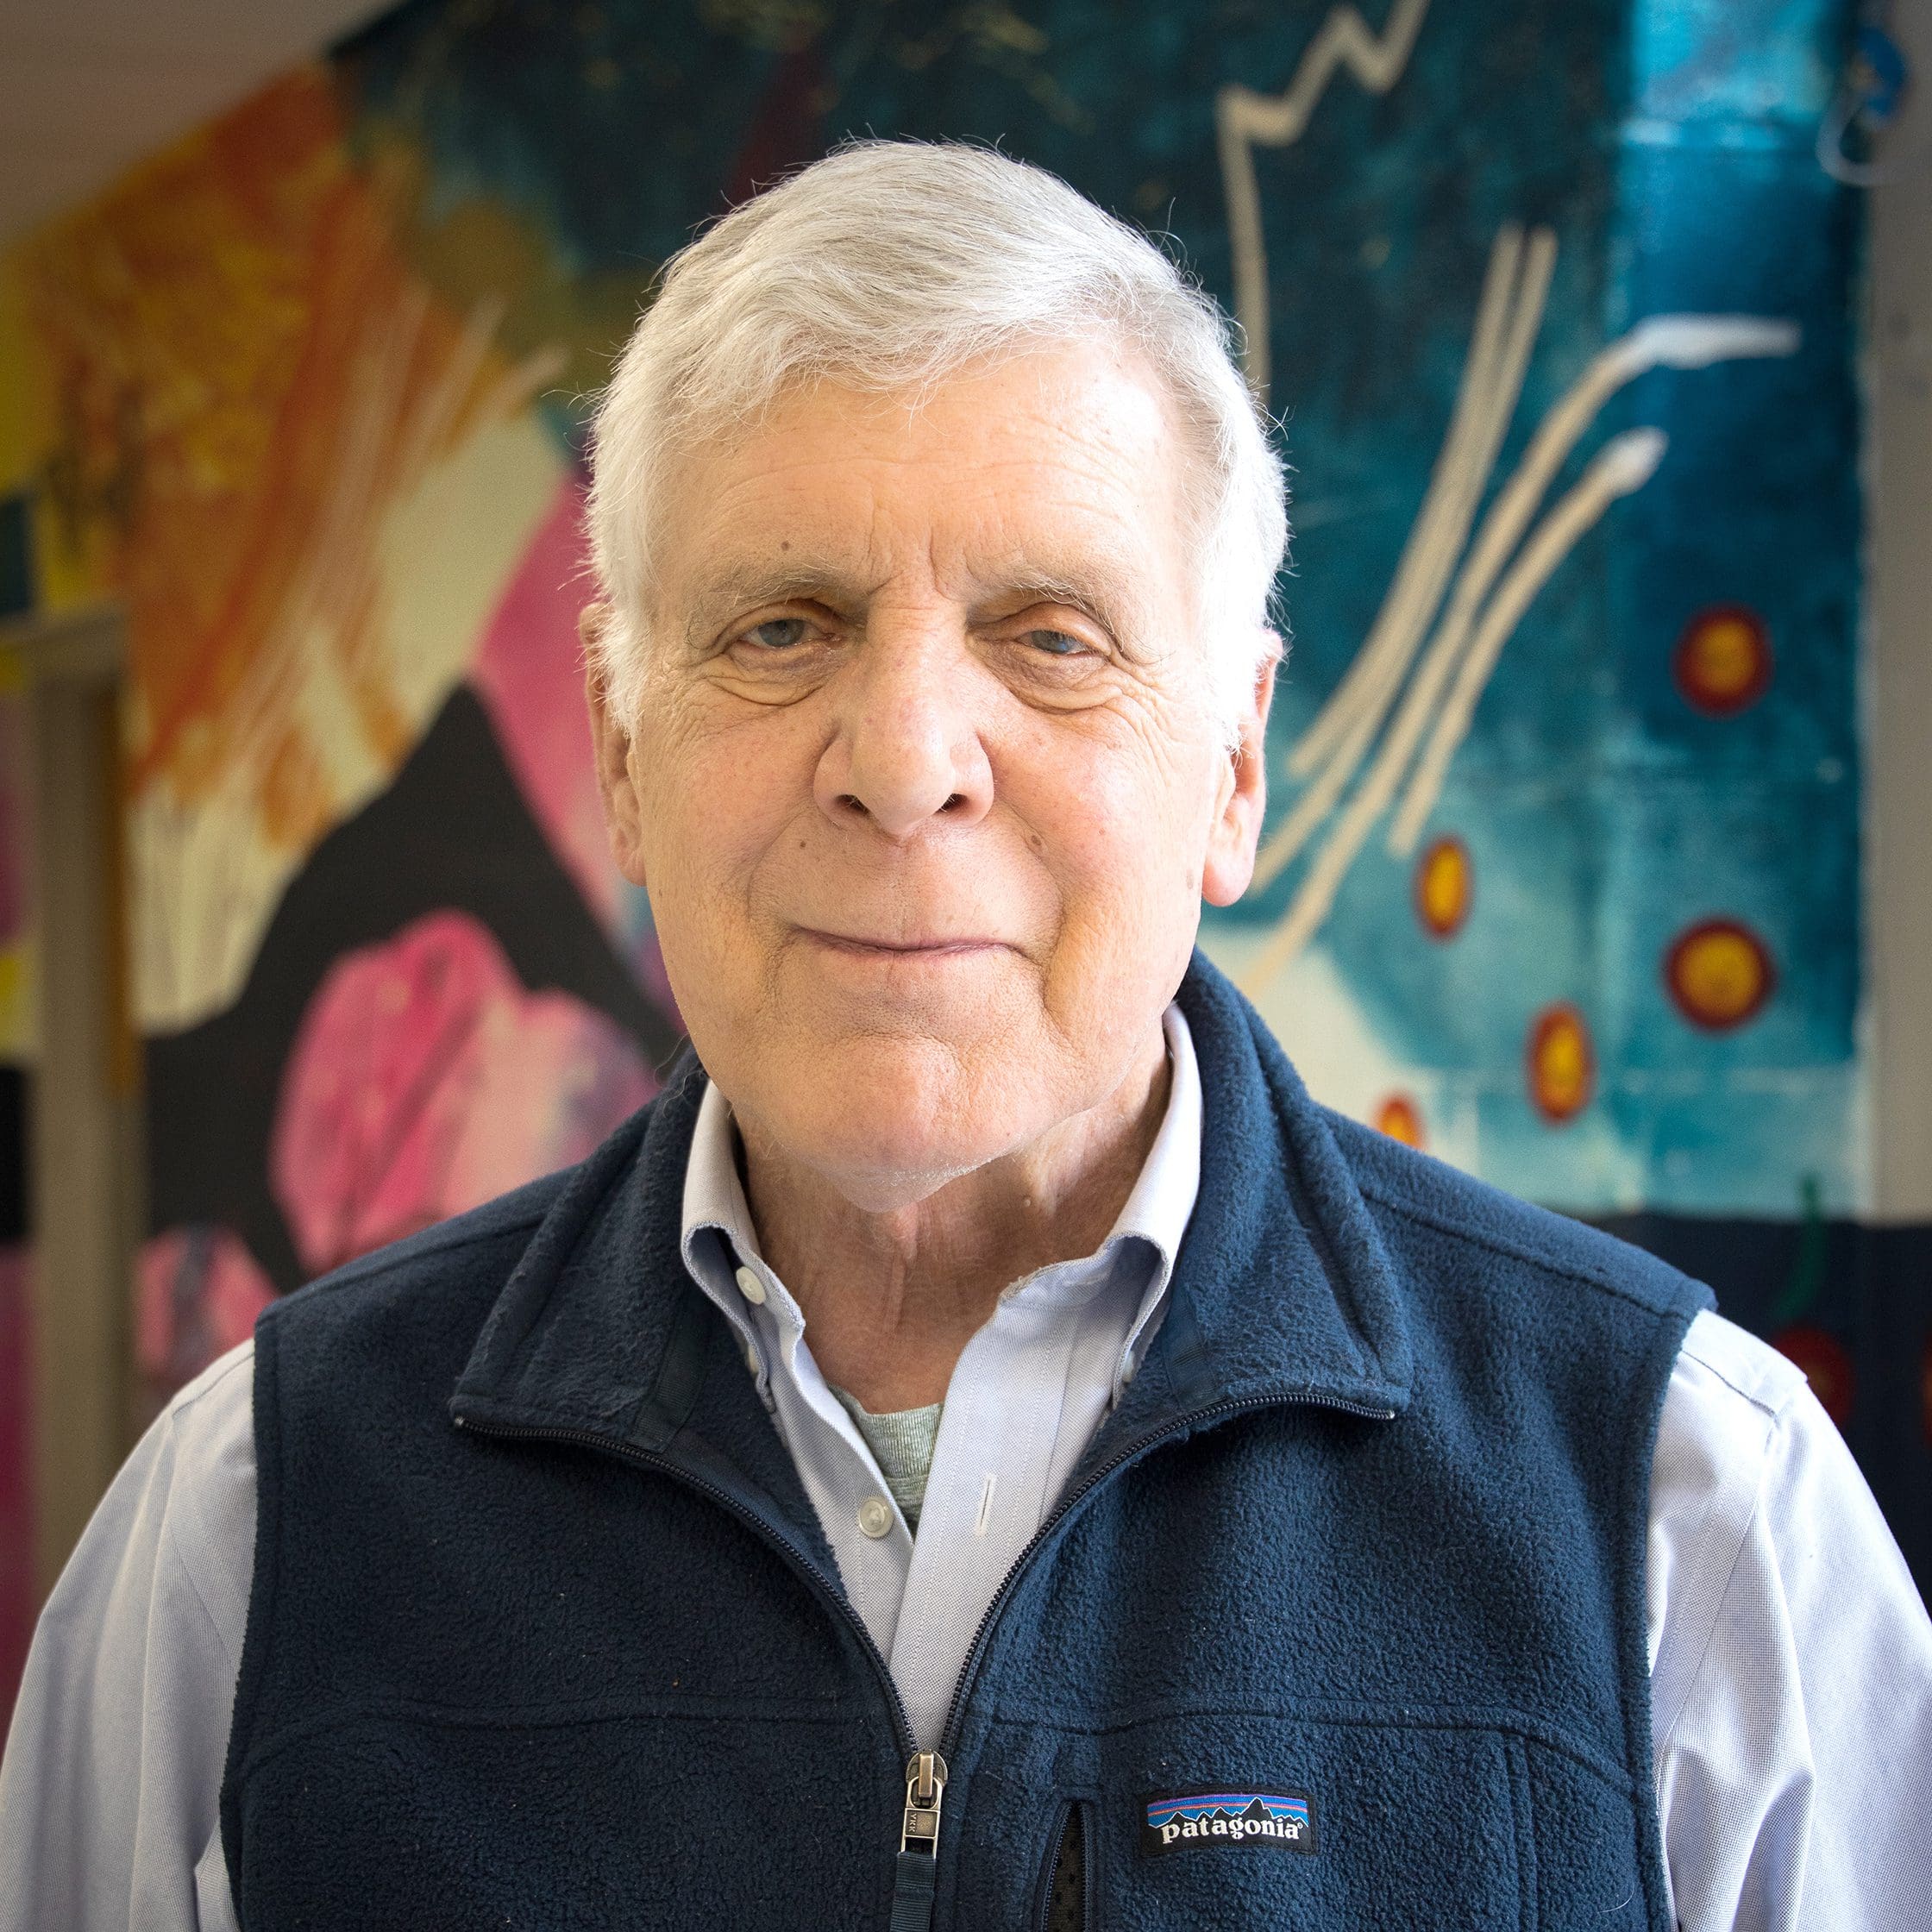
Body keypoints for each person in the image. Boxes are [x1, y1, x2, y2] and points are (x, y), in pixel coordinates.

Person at [2, 141, 1928, 1932]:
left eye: (1050, 634)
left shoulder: (1687, 1516)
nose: (909, 759)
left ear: (1234, 766)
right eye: (782, 626)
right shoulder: (255, 1525)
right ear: (620, 753)